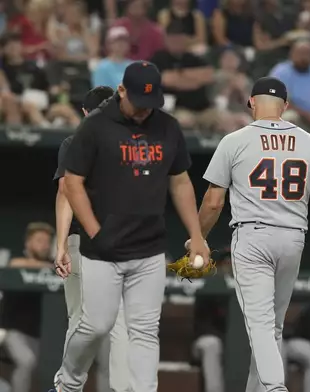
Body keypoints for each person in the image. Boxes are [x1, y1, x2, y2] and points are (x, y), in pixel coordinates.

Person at [58, 61, 210, 392]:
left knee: (144, 329)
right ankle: (68, 380)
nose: (145, 112)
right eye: (139, 104)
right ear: (122, 91)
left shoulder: (168, 127)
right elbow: (72, 183)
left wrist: (196, 235)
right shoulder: (96, 126)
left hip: (149, 247)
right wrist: (96, 231)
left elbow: (181, 181)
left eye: (151, 103)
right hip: (103, 250)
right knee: (96, 325)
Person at [196, 76, 310, 392]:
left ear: (251, 103)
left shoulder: (235, 140)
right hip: (293, 237)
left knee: (259, 324)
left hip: (253, 237)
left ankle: (274, 387)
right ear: (286, 106)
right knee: (271, 328)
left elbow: (213, 200)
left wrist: (198, 236)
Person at [52, 86, 129, 392]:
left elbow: (65, 192)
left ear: (85, 113)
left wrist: (60, 245)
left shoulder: (77, 141)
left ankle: (66, 387)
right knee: (121, 324)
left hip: (86, 242)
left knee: (82, 319)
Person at [0, 222, 54, 392]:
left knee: (32, 368)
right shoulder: (17, 261)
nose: (44, 245)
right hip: (10, 330)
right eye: (39, 240)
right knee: (27, 360)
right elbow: (16, 265)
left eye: (47, 242)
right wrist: (50, 268)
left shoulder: (52, 268)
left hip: (35, 334)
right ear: (28, 243)